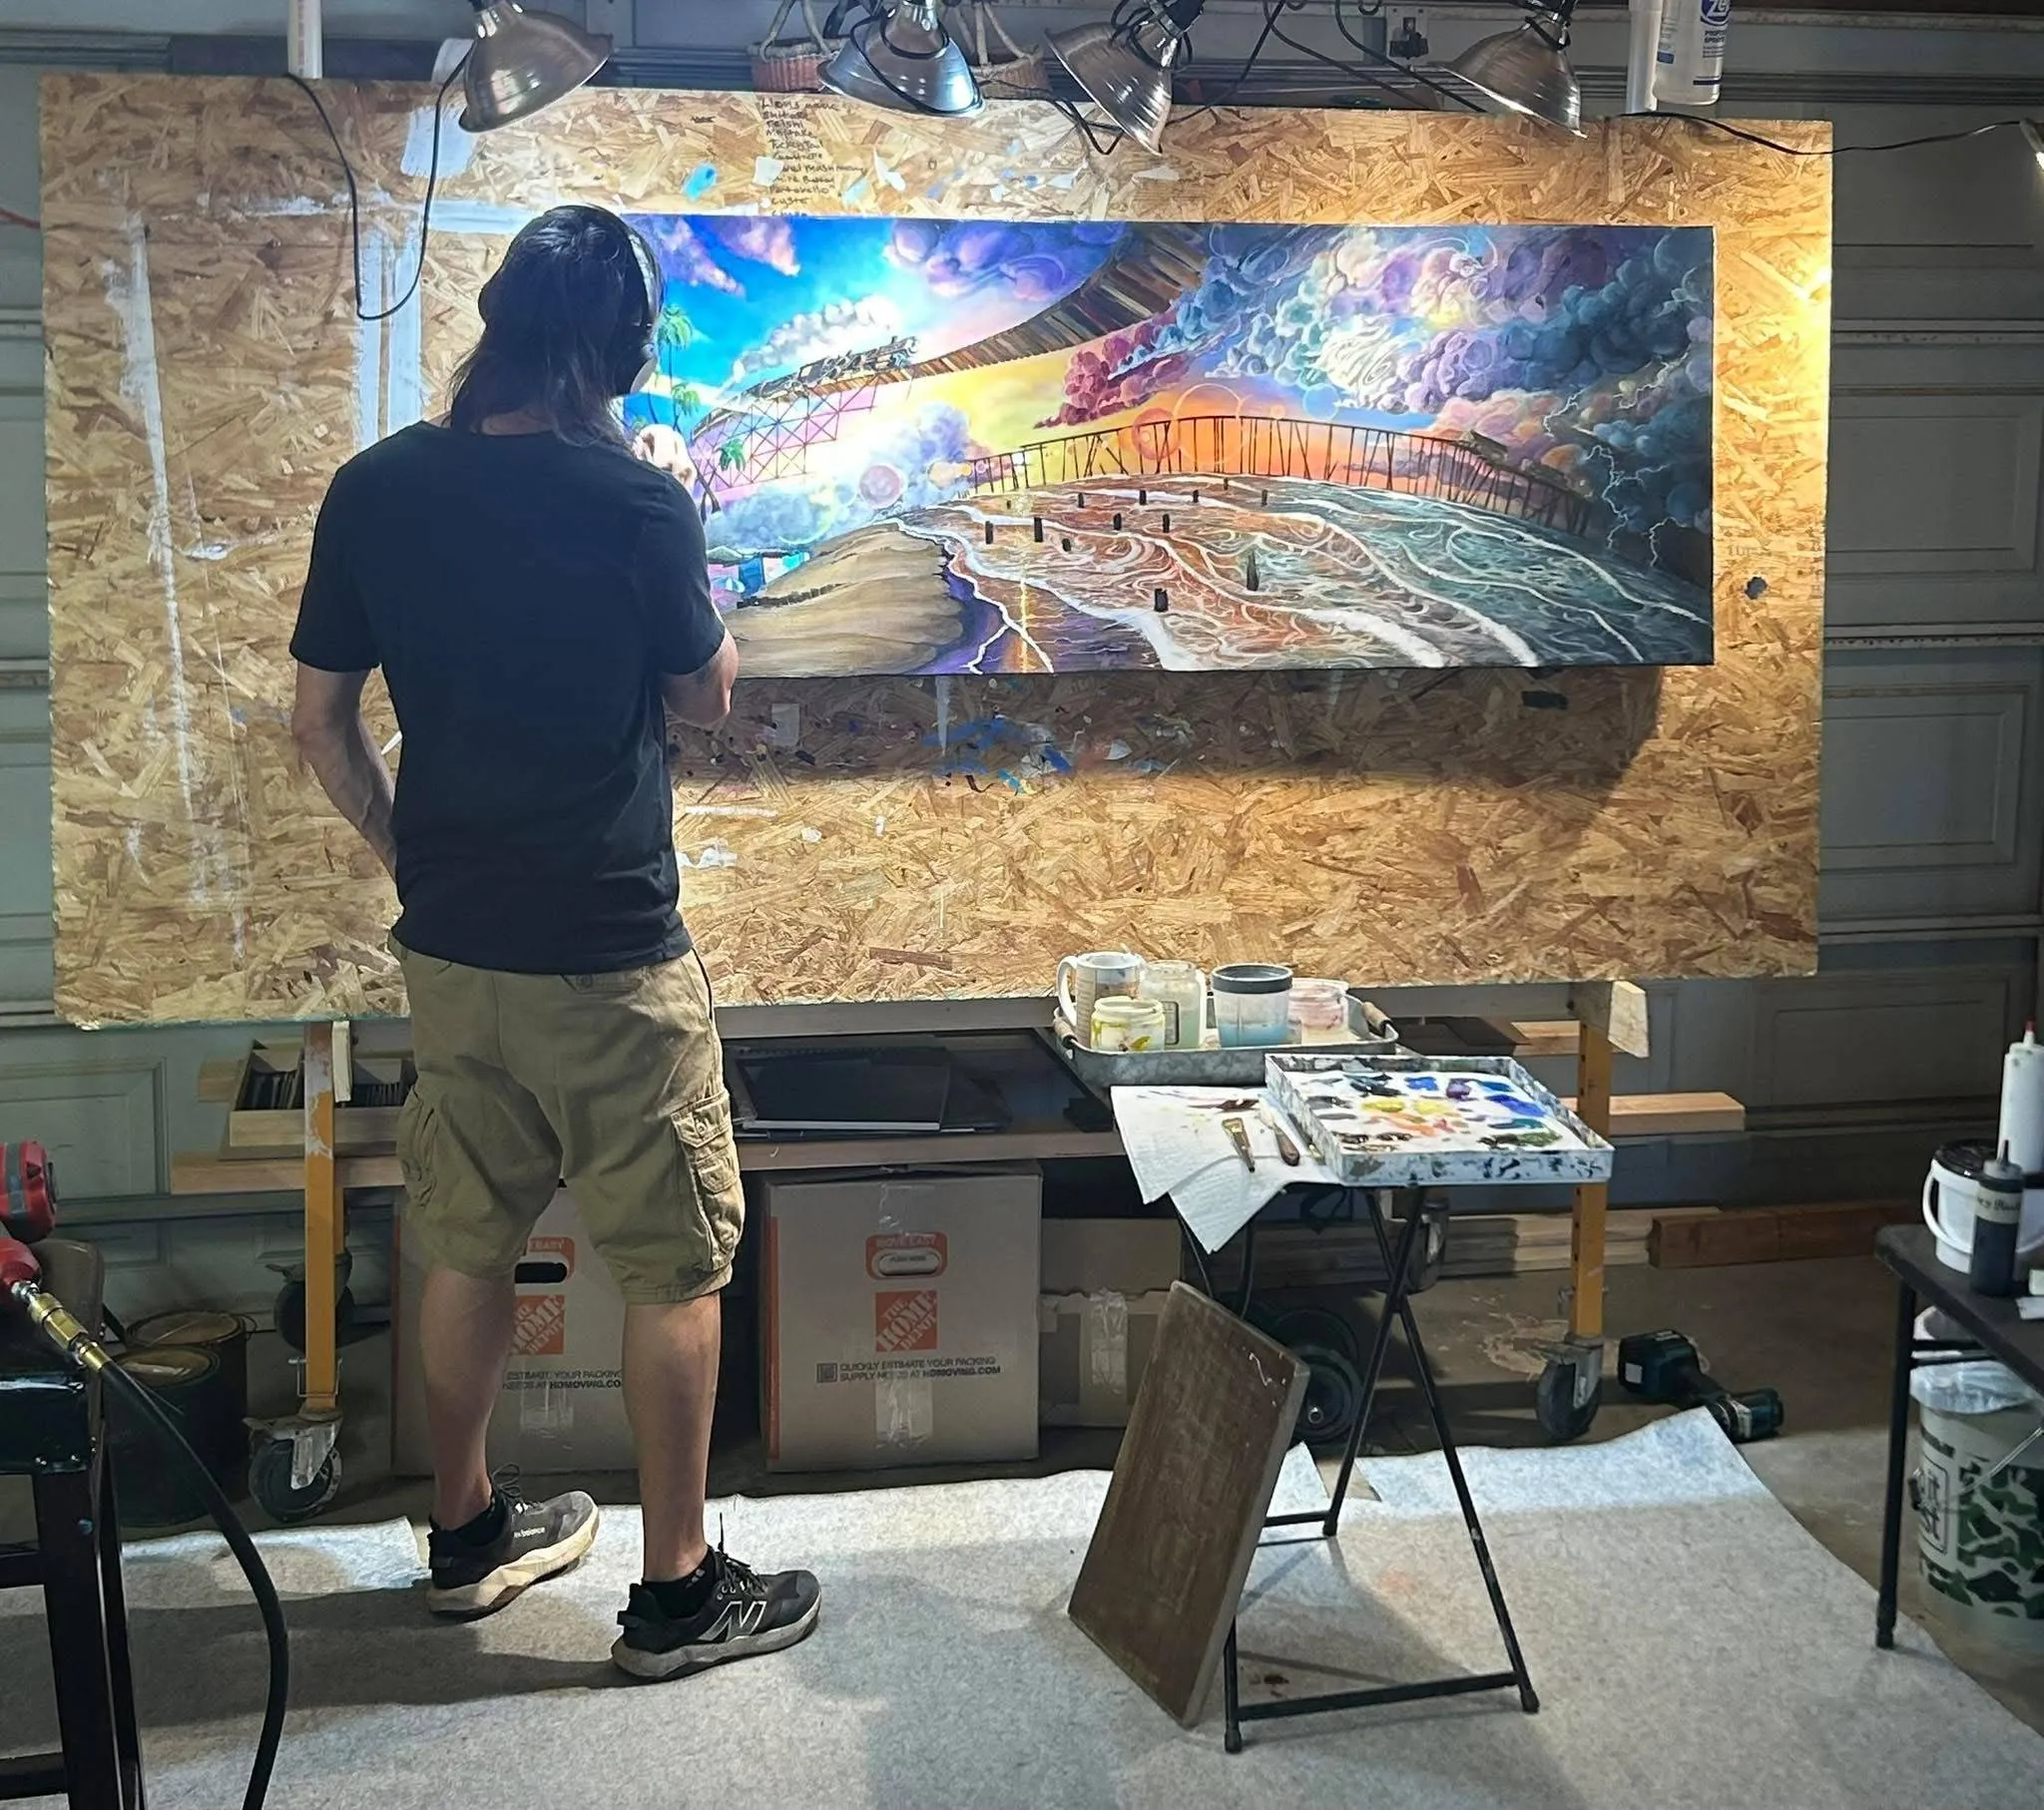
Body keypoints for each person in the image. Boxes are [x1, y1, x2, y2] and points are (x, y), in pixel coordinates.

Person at [289, 204, 818, 1681]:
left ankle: (466, 1537)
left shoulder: (375, 488)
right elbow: (705, 694)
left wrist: (419, 860)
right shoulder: (636, 499)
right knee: (672, 1260)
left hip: (452, 951)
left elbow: (318, 723)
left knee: (466, 1227)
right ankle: (674, 1593)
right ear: (623, 351)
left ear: (497, 325)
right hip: (607, 951)